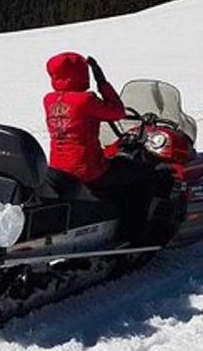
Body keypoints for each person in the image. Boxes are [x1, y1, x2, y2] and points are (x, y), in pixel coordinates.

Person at [43, 52, 171, 245]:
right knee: (147, 176)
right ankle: (133, 236)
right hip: (88, 170)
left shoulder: (49, 100)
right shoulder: (85, 100)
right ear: (81, 73)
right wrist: (101, 81)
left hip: (58, 169)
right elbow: (118, 111)